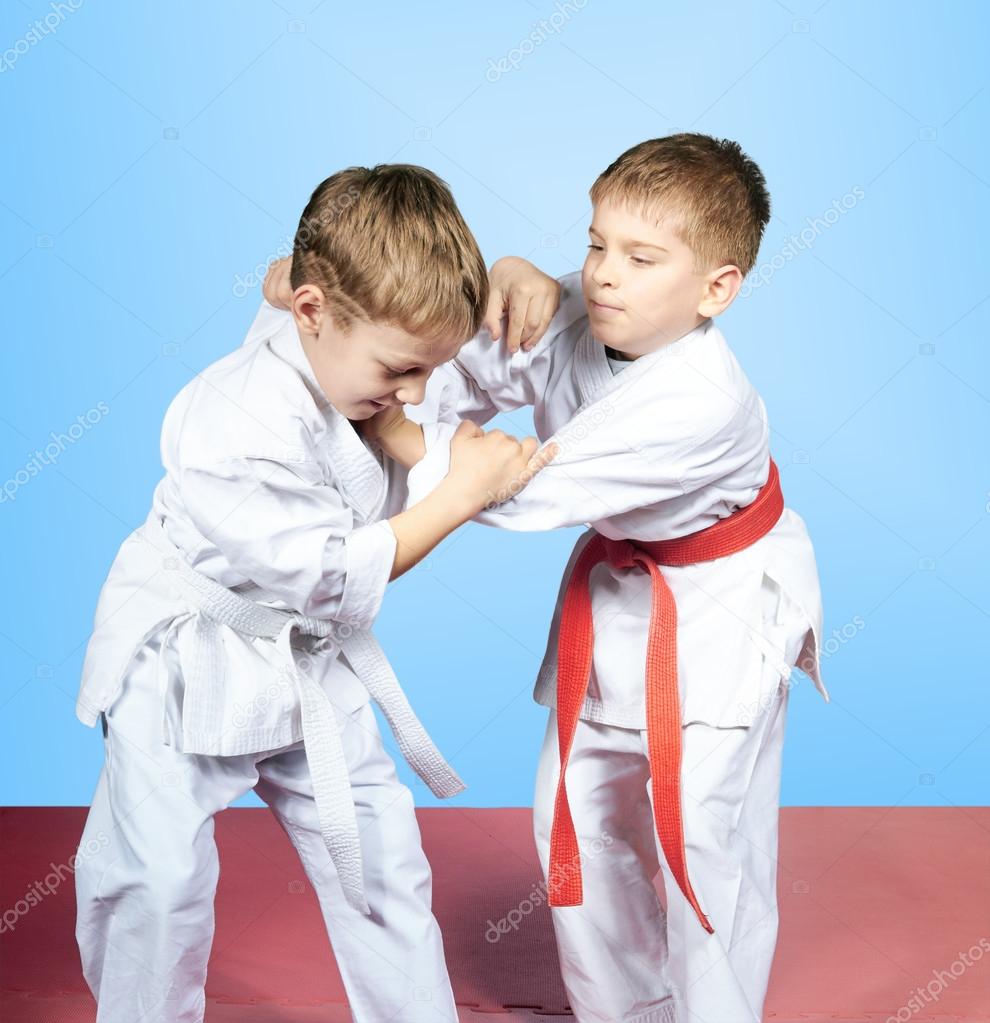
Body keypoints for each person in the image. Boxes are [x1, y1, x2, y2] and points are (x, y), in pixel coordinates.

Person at [267, 133, 828, 1023]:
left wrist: (383, 412)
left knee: (705, 837)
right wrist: (478, 298)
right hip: (620, 595)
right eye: (597, 242)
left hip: (722, 610)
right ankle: (624, 1010)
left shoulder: (702, 400)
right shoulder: (581, 307)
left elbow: (516, 489)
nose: (603, 273)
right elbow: (459, 371)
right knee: (574, 816)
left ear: (716, 289)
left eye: (642, 258)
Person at [73, 163, 554, 1023]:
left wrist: (518, 279)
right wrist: (457, 495)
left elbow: (464, 352)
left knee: (382, 857)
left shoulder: (354, 326)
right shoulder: (230, 421)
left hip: (306, 659)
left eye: (430, 368)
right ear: (310, 312)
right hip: (186, 658)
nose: (416, 394)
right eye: (402, 370)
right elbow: (332, 574)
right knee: (157, 880)